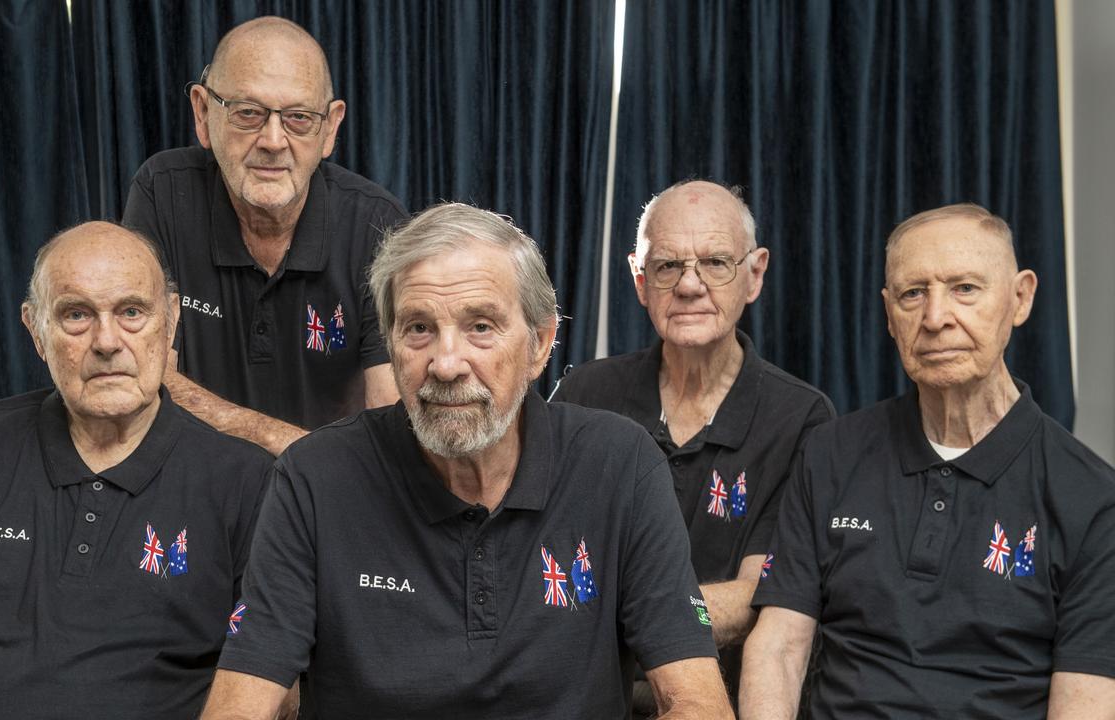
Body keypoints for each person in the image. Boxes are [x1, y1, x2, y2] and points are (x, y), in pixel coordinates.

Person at [199, 203, 733, 719]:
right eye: (418, 329)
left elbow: (699, 705)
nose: (447, 364)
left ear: (540, 344)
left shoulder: (621, 464)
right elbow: (240, 705)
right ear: (391, 344)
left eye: (480, 326)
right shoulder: (313, 478)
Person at [0, 222, 273, 718]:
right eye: (76, 315)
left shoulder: (246, 481)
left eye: (132, 312)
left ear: (171, 321)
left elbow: (264, 681)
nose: (107, 341)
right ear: (36, 330)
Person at [740, 203, 1115, 718]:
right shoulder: (829, 453)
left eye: (965, 289)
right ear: (889, 314)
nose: (936, 319)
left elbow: (1086, 702)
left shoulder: (1092, 500)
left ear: (1020, 297)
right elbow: (779, 645)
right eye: (913, 294)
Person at [551, 180, 833, 700]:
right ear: (639, 280)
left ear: (755, 274)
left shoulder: (801, 418)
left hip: (717, 695)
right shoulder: (583, 393)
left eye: (716, 262)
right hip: (581, 695)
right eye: (667, 266)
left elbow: (759, 596)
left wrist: (624, 613)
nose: (689, 285)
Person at [123, 16, 406, 456]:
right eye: (248, 113)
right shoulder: (163, 193)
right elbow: (146, 377)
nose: (273, 140)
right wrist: (283, 442)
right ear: (203, 113)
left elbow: (391, 418)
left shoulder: (377, 224)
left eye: (298, 118)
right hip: (202, 480)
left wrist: (313, 476)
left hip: (330, 494)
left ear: (330, 128)